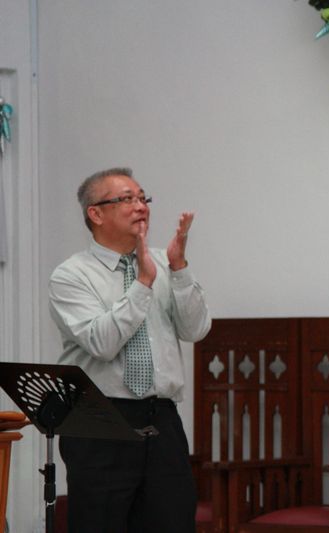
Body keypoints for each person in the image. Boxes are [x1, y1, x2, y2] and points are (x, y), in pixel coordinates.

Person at [49, 167, 211, 533]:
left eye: (142, 198)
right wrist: (142, 284)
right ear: (95, 213)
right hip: (98, 420)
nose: (140, 206)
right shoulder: (71, 275)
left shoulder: (164, 264)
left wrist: (179, 268)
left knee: (172, 523)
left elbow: (196, 329)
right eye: (127, 199)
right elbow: (102, 343)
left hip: (161, 418)